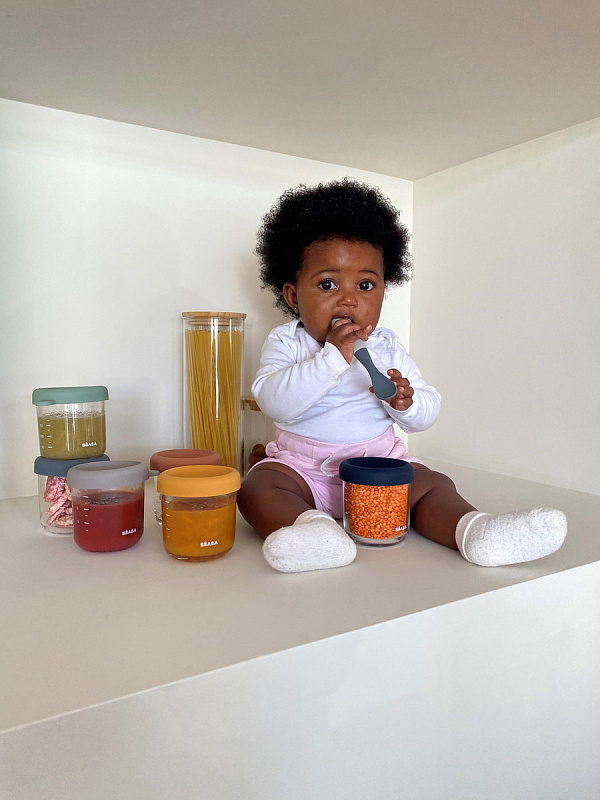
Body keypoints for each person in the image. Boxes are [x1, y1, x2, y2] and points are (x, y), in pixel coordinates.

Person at [237, 179, 567, 573]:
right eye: (328, 284)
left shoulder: (387, 348)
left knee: (433, 484)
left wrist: (404, 403)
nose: (349, 298)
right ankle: (314, 532)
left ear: (383, 290)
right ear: (293, 296)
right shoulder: (288, 342)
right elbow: (275, 403)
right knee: (256, 488)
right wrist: (332, 358)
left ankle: (477, 532)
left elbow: (427, 412)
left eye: (365, 284)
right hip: (304, 473)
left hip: (382, 469)